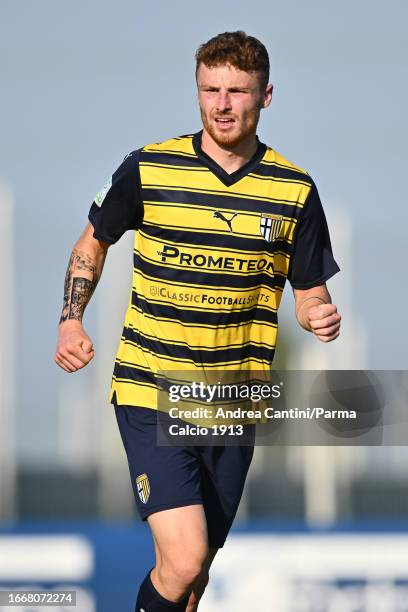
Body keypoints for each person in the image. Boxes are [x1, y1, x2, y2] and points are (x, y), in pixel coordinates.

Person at [55, 31, 341, 612]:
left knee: (194, 577)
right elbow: (94, 241)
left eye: (237, 90)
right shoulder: (148, 168)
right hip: (152, 386)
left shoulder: (294, 190)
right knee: (182, 558)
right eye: (210, 89)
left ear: (266, 96)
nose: (222, 104)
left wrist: (317, 315)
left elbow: (309, 291)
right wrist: (71, 319)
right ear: (197, 91)